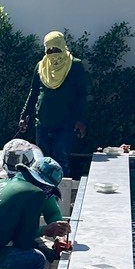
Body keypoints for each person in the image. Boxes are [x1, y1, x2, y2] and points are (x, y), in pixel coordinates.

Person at [19, 32, 88, 176]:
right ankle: (42, 189)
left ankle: (61, 189)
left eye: (56, 49)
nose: (53, 53)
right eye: (49, 50)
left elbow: (82, 95)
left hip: (65, 123)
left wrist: (81, 120)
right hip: (42, 122)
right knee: (41, 162)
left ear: (63, 46)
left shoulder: (75, 65)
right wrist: (24, 115)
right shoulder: (41, 66)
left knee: (61, 161)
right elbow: (33, 92)